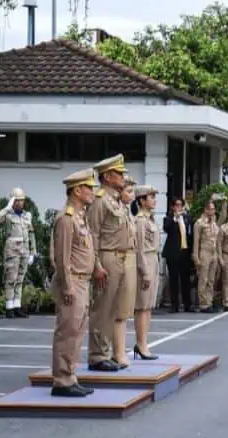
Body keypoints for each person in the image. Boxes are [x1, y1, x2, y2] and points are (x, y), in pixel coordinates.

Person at [50, 168, 100, 398]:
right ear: (77, 190)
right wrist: (68, 285)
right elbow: (61, 257)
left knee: (77, 331)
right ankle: (61, 379)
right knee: (68, 331)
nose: (92, 192)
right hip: (73, 282)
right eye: (88, 188)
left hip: (83, 281)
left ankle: (71, 376)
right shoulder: (66, 218)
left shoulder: (81, 216)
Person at [86, 154, 135, 372]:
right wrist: (96, 264)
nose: (123, 177)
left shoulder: (115, 200)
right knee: (102, 308)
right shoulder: (99, 201)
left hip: (121, 257)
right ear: (107, 177)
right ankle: (98, 355)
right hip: (107, 256)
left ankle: (109, 353)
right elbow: (93, 235)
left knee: (114, 309)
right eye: (119, 173)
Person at [0, 187, 37, 318]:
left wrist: (33, 252)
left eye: (22, 200)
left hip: (24, 251)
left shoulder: (27, 215)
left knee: (20, 279)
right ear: (12, 201)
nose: (20, 203)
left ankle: (17, 306)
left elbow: (31, 233)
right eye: (17, 201)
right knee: (10, 279)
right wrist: (7, 207)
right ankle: (9, 308)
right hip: (12, 251)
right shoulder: (7, 215)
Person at [132, 185, 161, 360]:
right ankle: (141, 344)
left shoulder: (150, 219)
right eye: (151, 197)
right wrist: (145, 271)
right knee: (142, 306)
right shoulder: (140, 221)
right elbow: (139, 248)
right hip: (146, 262)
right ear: (142, 201)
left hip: (153, 259)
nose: (154, 200)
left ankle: (143, 342)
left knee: (148, 306)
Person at [162, 197, 194, 313]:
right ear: (173, 206)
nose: (179, 207)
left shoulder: (187, 218)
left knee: (186, 279)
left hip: (185, 252)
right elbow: (166, 228)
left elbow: (190, 233)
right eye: (177, 205)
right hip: (173, 253)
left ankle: (187, 304)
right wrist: (175, 217)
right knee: (174, 279)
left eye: (181, 205)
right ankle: (174, 304)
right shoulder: (169, 218)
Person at [193, 198, 221, 313]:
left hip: (213, 253)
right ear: (206, 210)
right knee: (203, 279)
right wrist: (196, 257)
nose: (213, 211)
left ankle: (209, 302)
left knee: (211, 280)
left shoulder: (214, 223)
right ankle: (203, 303)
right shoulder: (199, 223)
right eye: (211, 209)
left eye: (214, 209)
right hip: (204, 252)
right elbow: (196, 241)